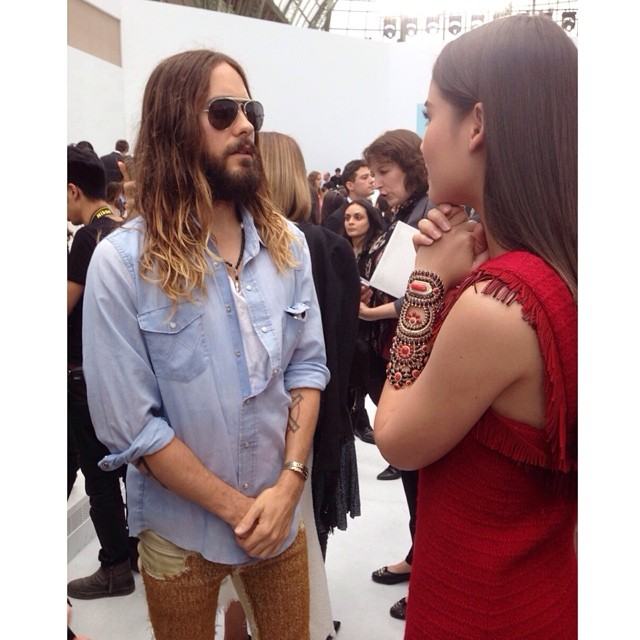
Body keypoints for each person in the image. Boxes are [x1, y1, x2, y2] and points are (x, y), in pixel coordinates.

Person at [82, 49, 330, 640]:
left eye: (251, 110)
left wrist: (289, 484)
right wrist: (242, 511)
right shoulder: (122, 264)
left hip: (279, 513)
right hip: (180, 531)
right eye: (223, 112)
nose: (245, 125)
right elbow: (133, 428)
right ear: (173, 127)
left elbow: (307, 367)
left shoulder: (288, 246)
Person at [374, 15, 577, 639]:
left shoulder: (500, 305)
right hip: (541, 587)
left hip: (482, 604)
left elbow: (396, 438)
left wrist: (427, 279)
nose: (424, 136)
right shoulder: (551, 271)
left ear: (478, 124)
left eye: (431, 114)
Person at [357, 129, 433, 618]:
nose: (378, 183)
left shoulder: (426, 215)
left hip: (413, 355)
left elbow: (424, 296)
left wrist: (373, 314)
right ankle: (417, 555)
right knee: (410, 473)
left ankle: (427, 572)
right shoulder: (408, 213)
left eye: (384, 172)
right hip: (396, 349)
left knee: (419, 471)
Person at [66, 145, 136, 600]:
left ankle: (115, 565)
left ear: (73, 191)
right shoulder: (123, 231)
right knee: (130, 466)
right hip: (122, 372)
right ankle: (136, 549)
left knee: (99, 472)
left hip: (85, 376)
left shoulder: (87, 240)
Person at [339, 198, 387, 448]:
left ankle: (394, 449)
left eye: (358, 217)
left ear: (370, 219)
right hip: (350, 331)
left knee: (379, 389)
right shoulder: (339, 249)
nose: (351, 222)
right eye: (348, 217)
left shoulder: (379, 252)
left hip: (376, 332)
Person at [323, 159, 376, 234]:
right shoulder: (337, 219)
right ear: (350, 185)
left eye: (372, 175)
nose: (372, 180)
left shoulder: (375, 212)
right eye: (365, 177)